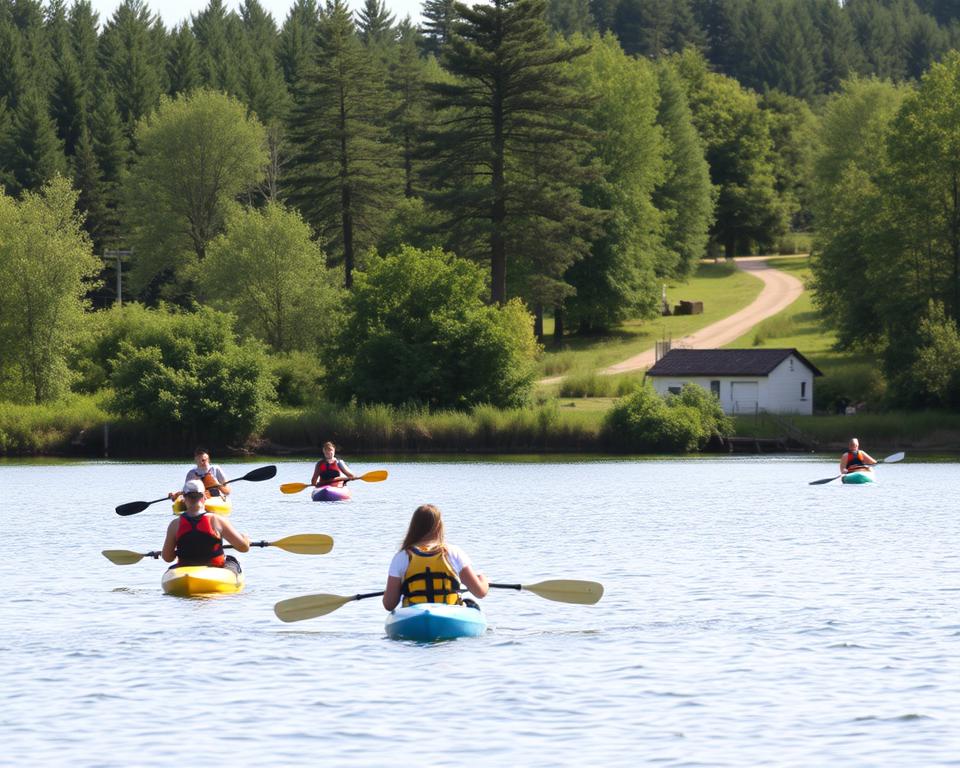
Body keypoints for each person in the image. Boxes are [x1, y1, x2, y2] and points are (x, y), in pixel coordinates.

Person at [383, 504, 489, 611]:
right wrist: (482, 579)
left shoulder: (402, 557)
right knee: (472, 605)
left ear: (413, 527)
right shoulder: (453, 553)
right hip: (449, 614)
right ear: (439, 526)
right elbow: (480, 592)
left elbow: (389, 604)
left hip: (415, 616)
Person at [162, 479, 250, 573]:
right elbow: (243, 548)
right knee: (232, 561)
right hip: (215, 569)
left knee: (171, 569)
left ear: (184, 498)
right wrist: (245, 538)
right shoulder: (216, 520)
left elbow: (167, 558)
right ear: (204, 497)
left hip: (186, 571)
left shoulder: (175, 524)